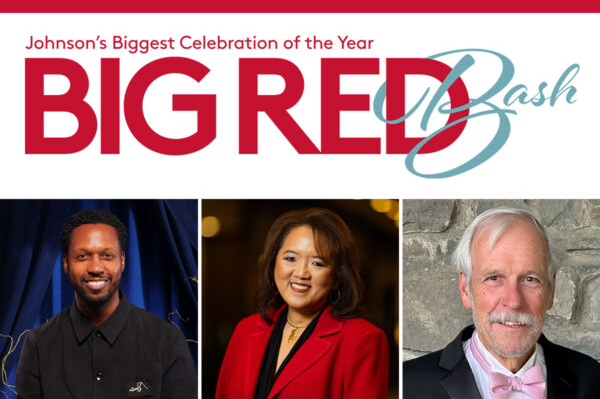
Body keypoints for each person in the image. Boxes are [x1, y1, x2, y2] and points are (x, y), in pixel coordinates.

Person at [403, 206, 600, 399]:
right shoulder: (409, 384)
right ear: (465, 288)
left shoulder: (592, 379)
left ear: (551, 291)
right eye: (494, 278)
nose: (513, 301)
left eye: (530, 279)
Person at [16, 209, 197, 398]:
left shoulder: (166, 340)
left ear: (123, 261)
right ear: (66, 263)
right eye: (83, 256)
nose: (95, 268)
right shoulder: (38, 344)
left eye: (107, 255)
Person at [216, 208, 389, 398]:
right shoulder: (245, 330)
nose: (301, 273)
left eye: (317, 263)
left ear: (337, 277)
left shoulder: (363, 340)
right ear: (274, 263)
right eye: (291, 258)